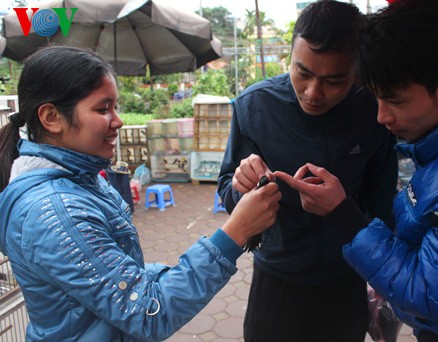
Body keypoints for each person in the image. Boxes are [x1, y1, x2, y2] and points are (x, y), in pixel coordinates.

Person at [0, 46, 281, 341]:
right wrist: (236, 232)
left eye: (115, 107)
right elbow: (149, 312)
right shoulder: (58, 212)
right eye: (103, 109)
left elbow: (116, 278)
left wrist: (170, 274)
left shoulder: (80, 178)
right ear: (52, 117)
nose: (118, 120)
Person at [275, 0, 438, 341]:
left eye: (395, 101)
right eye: (376, 98)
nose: (382, 117)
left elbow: (427, 293)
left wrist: (343, 214)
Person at [217, 1, 398, 340]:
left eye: (334, 80)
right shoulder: (254, 107)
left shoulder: (373, 111)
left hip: (346, 281)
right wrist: (239, 187)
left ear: (356, 72)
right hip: (276, 280)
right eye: (303, 73)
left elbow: (383, 203)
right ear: (290, 55)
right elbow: (227, 192)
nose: (314, 93)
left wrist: (382, 273)